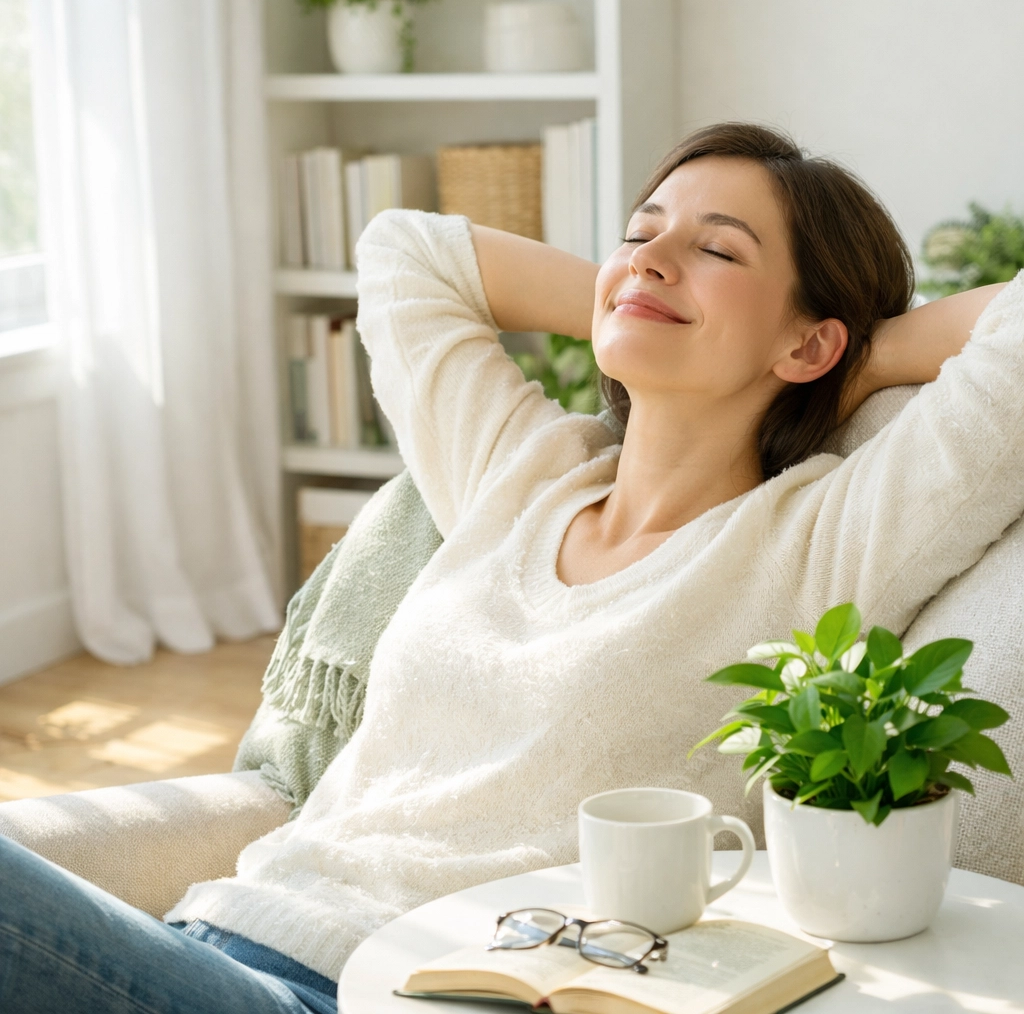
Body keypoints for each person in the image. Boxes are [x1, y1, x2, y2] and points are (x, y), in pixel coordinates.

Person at [1, 123, 1018, 1014]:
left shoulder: (820, 538)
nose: (653, 255)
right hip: (201, 939)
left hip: (367, 994)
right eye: (640, 228)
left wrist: (856, 356)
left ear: (809, 342)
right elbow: (407, 253)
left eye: (715, 248)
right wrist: (646, 295)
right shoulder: (522, 467)